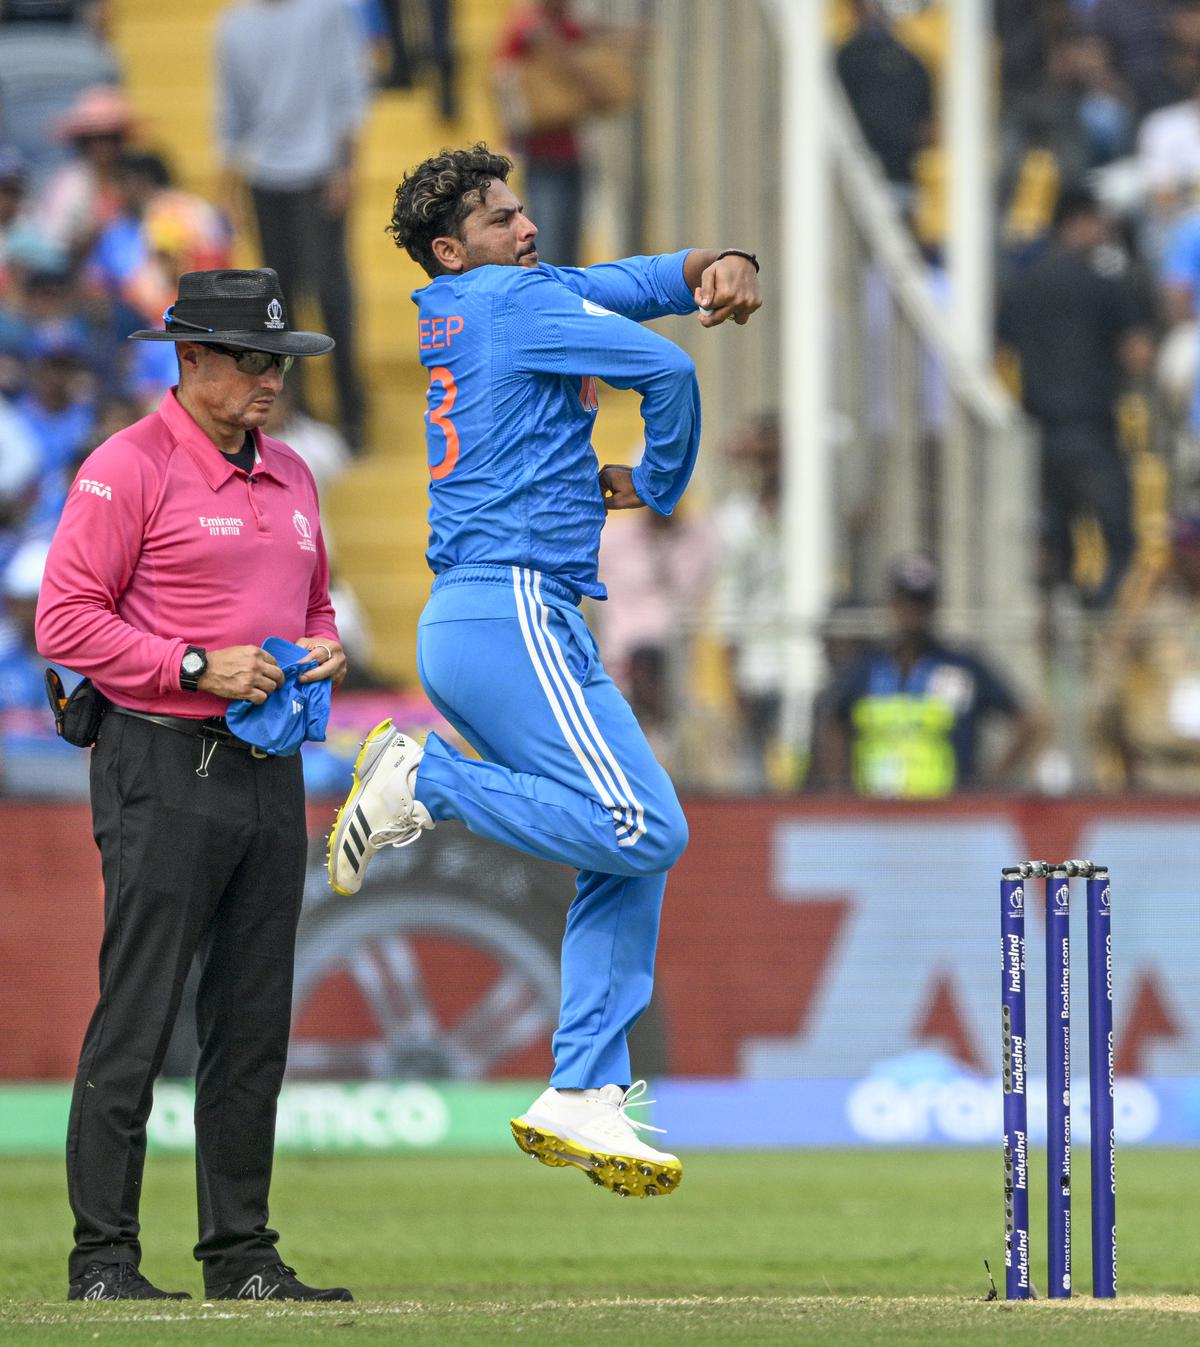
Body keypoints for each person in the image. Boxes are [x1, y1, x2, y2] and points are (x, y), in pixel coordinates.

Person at [326, 143, 761, 1196]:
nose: (527, 228)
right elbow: (669, 366)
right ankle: (424, 780)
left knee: (628, 849)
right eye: (500, 220)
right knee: (644, 826)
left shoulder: (508, 297)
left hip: (500, 614)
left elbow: (649, 280)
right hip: (511, 602)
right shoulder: (510, 304)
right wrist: (657, 483)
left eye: (523, 212)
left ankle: (583, 1090)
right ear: (449, 250)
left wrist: (720, 257)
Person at [35, 267, 353, 1302]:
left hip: (271, 768)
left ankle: (242, 1257)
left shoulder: (296, 476)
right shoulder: (124, 470)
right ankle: (103, 1260)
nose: (272, 380)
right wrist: (192, 665)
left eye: (280, 362)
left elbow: (314, 606)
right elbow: (65, 624)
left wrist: (323, 649)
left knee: (253, 1018)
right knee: (140, 1010)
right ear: (192, 361)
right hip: (162, 760)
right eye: (253, 361)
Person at [215, 0, 370, 450]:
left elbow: (348, 87)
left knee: (331, 293)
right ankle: (297, 410)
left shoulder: (326, 12)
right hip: (265, 174)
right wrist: (230, 185)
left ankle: (351, 412)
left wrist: (346, 165)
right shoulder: (234, 27)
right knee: (280, 302)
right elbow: (231, 110)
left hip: (318, 167)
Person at [997, 185, 1155, 608]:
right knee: (1122, 542)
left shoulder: (1022, 283)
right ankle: (1095, 620)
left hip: (1038, 435)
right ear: (1080, 221)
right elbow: (1138, 353)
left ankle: (1063, 631)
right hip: (1092, 432)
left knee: (1056, 550)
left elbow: (1000, 351)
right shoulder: (1104, 282)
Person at [813, 556, 1039, 799]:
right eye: (905, 602)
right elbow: (833, 722)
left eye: (921, 603)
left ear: (934, 606)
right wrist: (840, 789)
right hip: (876, 816)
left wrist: (990, 781)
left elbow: (1030, 721)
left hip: (946, 816)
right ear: (891, 604)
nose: (913, 612)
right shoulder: (865, 669)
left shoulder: (962, 668)